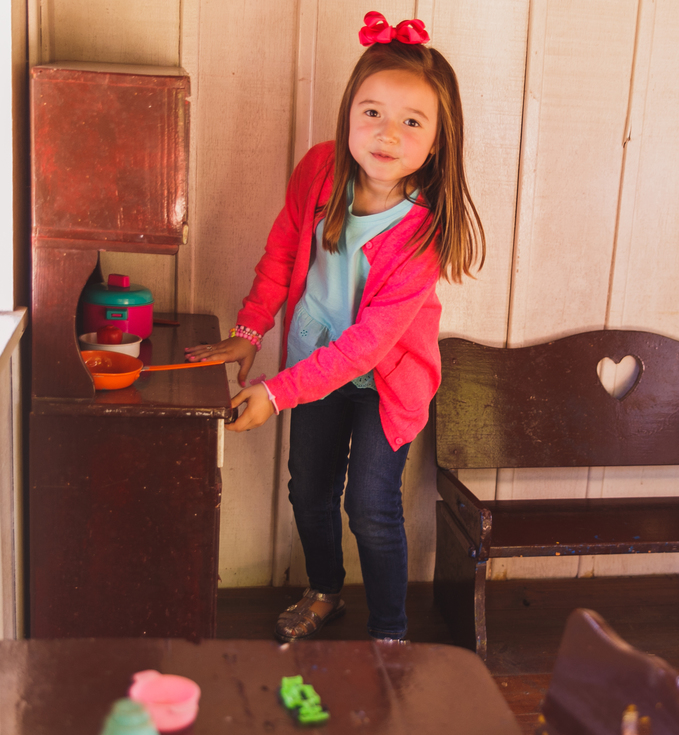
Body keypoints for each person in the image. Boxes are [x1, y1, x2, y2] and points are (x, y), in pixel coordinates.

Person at [185, 11, 484, 643]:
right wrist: (249, 331)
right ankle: (325, 591)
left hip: (386, 385)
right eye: (372, 112)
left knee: (371, 507)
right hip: (312, 370)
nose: (387, 134)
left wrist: (273, 394)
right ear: (349, 111)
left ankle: (390, 634)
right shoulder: (320, 170)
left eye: (412, 121)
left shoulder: (421, 235)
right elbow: (282, 253)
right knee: (308, 491)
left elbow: (369, 345)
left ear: (437, 141)